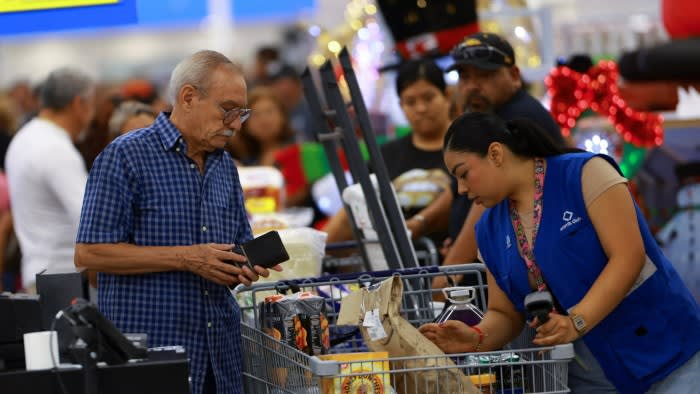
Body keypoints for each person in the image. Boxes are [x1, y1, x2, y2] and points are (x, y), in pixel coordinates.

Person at [420, 112, 700, 394]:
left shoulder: (583, 173)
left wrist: (576, 321)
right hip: (594, 374)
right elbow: (504, 313)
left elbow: (628, 256)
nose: (462, 189)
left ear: (495, 153)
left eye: (464, 173)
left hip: (666, 351)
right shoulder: (488, 229)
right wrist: (476, 337)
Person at [74, 50, 280, 394]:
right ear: (188, 97)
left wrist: (240, 266)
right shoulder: (126, 156)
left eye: (242, 113)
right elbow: (89, 255)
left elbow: (234, 245)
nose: (236, 124)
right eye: (228, 110)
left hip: (221, 358)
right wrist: (188, 258)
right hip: (155, 356)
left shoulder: (225, 166)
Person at [406, 32, 565, 289]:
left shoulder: (517, 119)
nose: (472, 86)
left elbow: (486, 207)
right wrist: (420, 224)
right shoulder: (487, 117)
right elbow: (457, 191)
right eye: (465, 77)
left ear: (513, 75)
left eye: (485, 75)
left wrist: (448, 277)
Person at [323, 58, 453, 251]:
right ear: (400, 105)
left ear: (447, 96)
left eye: (428, 98)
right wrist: (317, 250)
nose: (421, 108)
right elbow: (354, 210)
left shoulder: (466, 145)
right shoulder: (384, 156)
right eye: (410, 101)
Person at [5, 67, 95, 293]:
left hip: (40, 273)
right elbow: (89, 217)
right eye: (91, 104)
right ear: (78, 104)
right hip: (62, 278)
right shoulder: (55, 148)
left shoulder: (25, 137)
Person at [228, 87, 295, 166]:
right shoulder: (246, 162)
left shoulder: (298, 152)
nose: (264, 120)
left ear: (282, 115)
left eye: (269, 111)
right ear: (246, 125)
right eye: (256, 115)